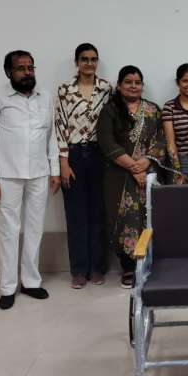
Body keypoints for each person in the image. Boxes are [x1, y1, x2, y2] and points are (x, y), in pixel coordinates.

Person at [0, 50, 60, 310]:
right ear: (8, 72)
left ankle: (30, 282)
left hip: (39, 172)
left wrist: (55, 170)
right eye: (21, 68)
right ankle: (7, 287)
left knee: (35, 228)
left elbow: (51, 136)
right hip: (7, 175)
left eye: (31, 67)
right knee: (8, 231)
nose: (28, 72)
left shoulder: (44, 96)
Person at [97, 66, 166, 288]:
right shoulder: (110, 110)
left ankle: (153, 262)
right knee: (124, 217)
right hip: (120, 175)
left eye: (137, 82)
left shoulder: (153, 110)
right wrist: (134, 168)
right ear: (119, 85)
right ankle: (128, 267)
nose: (133, 86)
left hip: (150, 173)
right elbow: (106, 141)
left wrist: (145, 163)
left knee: (151, 215)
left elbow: (161, 139)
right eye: (128, 82)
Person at [55, 43, 112, 289]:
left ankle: (97, 268)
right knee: (76, 214)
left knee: (98, 213)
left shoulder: (106, 88)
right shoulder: (65, 90)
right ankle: (79, 270)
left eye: (93, 59)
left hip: (100, 154)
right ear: (76, 62)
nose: (89, 63)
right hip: (74, 154)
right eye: (84, 59)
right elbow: (59, 125)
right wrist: (63, 162)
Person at [162, 64, 188, 184]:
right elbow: (170, 143)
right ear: (178, 82)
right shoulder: (169, 107)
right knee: (180, 195)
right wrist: (177, 170)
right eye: (185, 81)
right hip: (180, 160)